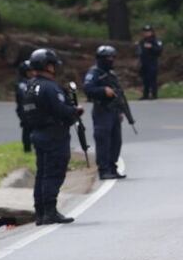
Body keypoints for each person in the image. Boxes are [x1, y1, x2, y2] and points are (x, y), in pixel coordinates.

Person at [22, 48, 83, 225]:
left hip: (38, 133)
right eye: (53, 65)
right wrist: (75, 111)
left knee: (42, 173)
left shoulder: (30, 86)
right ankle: (49, 211)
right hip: (54, 135)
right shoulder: (49, 87)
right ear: (48, 66)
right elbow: (61, 110)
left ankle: (40, 212)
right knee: (53, 173)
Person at [83, 45, 126, 180]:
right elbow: (88, 89)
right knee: (103, 140)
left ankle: (113, 167)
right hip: (102, 110)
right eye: (108, 57)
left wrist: (120, 111)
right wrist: (103, 91)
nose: (111, 60)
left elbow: (118, 93)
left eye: (113, 57)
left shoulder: (111, 74)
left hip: (114, 111)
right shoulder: (94, 73)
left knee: (116, 141)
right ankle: (104, 169)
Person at [136, 24, 164, 100]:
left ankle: (154, 94)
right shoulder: (142, 41)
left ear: (152, 32)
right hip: (144, 63)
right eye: (145, 32)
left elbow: (159, 50)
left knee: (152, 79)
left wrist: (151, 47)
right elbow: (139, 51)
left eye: (148, 31)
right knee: (145, 80)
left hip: (152, 63)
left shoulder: (156, 41)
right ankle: (145, 94)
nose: (146, 33)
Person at [15, 60, 36, 153]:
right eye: (29, 71)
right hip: (25, 109)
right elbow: (24, 96)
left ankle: (34, 146)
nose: (32, 73)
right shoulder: (22, 84)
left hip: (32, 109)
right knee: (27, 128)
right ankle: (27, 148)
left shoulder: (33, 82)